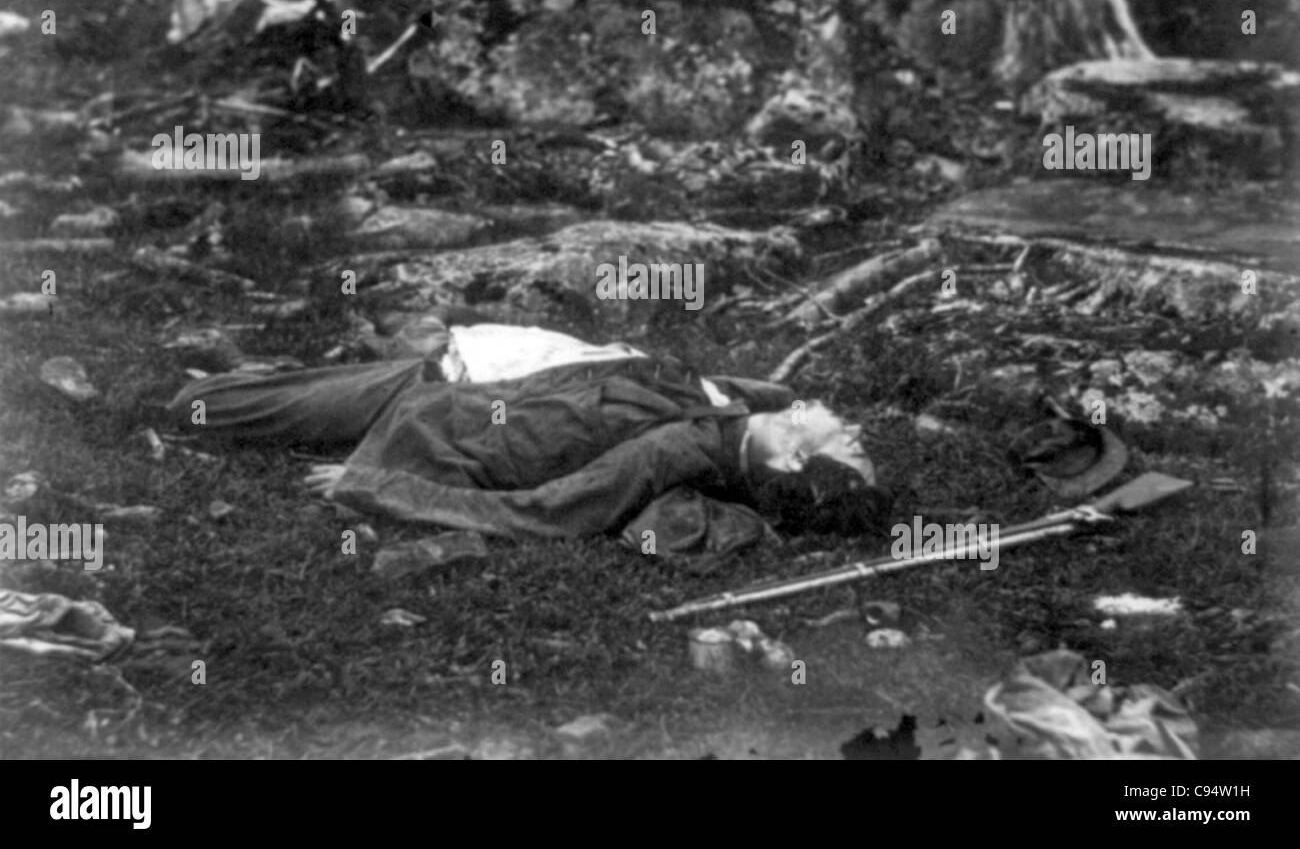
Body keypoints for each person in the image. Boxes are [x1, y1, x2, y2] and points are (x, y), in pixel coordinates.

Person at [167, 319, 883, 559]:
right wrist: (780, 407)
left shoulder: (679, 453)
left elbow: (545, 512)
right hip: (471, 368)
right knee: (251, 394)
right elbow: (749, 401)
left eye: (849, 443)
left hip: (428, 409)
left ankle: (147, 392)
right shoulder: (740, 410)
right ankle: (250, 372)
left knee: (198, 405)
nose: (853, 428)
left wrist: (376, 486)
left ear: (792, 456)